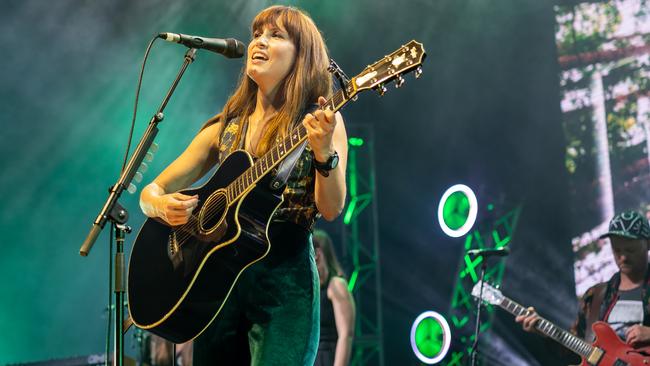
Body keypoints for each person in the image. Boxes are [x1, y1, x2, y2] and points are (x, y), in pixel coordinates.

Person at [138, 5, 348, 365]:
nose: (259, 42)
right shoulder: (227, 125)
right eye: (257, 34)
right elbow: (149, 192)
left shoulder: (320, 122)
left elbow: (331, 208)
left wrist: (323, 152)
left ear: (302, 55)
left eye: (276, 35)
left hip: (285, 284)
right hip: (219, 284)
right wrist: (162, 206)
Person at [516, 210, 650, 361]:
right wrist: (543, 333)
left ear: (648, 244)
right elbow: (574, 351)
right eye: (617, 250)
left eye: (631, 250)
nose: (623, 257)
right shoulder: (595, 296)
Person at [312, 229, 355, 366]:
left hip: (328, 358)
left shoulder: (336, 284)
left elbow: (346, 335)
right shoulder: (313, 289)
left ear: (319, 254)